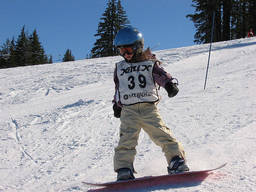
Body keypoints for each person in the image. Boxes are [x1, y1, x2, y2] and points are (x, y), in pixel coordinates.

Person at [112, 26, 189, 181]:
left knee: (162, 133)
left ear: (138, 47)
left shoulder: (149, 64)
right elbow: (119, 88)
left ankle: (176, 160)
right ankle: (124, 168)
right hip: (128, 111)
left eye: (128, 50)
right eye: (121, 51)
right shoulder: (119, 68)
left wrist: (169, 85)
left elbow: (161, 75)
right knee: (126, 139)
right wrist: (116, 104)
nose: (125, 54)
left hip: (148, 109)